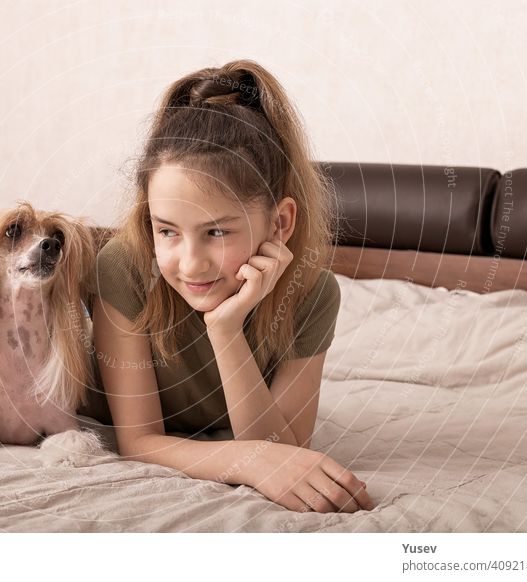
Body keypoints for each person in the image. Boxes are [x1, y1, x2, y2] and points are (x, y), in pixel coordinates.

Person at [80, 59, 374, 514]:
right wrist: (245, 463)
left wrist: (226, 329)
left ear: (280, 222)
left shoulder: (313, 295)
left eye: (217, 232)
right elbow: (138, 441)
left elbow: (283, 450)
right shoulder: (124, 267)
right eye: (167, 231)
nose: (191, 264)